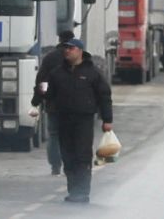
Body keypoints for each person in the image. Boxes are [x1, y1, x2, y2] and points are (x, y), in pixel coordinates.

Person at [44, 39, 113, 204]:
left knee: (82, 156)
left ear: (80, 51)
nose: (67, 51)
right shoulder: (57, 73)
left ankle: (82, 192)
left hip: (84, 120)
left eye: (71, 48)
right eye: (65, 49)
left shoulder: (92, 73)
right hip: (63, 119)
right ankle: (73, 191)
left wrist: (107, 119)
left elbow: (104, 96)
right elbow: (49, 95)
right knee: (68, 156)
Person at [29, 30, 75, 176]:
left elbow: (42, 81)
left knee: (54, 135)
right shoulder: (79, 57)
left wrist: (37, 99)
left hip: (54, 104)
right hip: (74, 105)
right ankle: (70, 165)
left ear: (59, 39)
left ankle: (55, 166)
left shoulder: (50, 58)